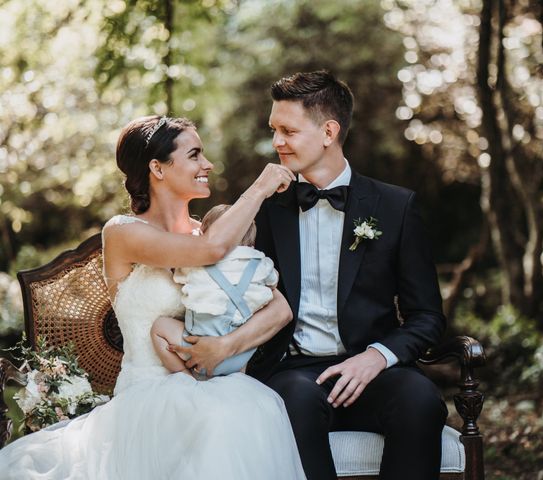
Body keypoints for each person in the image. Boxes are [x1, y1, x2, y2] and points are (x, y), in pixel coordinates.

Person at [0, 115, 306, 479]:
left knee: (245, 410)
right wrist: (259, 188)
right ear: (157, 168)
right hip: (146, 399)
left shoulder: (208, 232)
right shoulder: (124, 233)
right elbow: (211, 249)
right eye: (194, 155)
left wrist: (225, 346)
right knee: (220, 418)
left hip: (213, 383)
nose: (207, 165)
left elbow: (280, 308)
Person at [244, 70, 448, 480]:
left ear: (328, 131)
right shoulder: (264, 209)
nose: (276, 142)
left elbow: (427, 317)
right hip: (294, 371)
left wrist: (376, 357)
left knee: (421, 400)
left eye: (288, 130)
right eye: (274, 130)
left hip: (375, 369)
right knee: (293, 403)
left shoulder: (395, 207)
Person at [151, 204, 279, 378]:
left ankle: (183, 375)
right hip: (240, 355)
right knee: (251, 313)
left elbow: (179, 277)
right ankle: (237, 377)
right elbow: (272, 281)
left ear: (205, 236)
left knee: (159, 327)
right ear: (252, 242)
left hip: (195, 348)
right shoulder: (260, 263)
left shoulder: (196, 263)